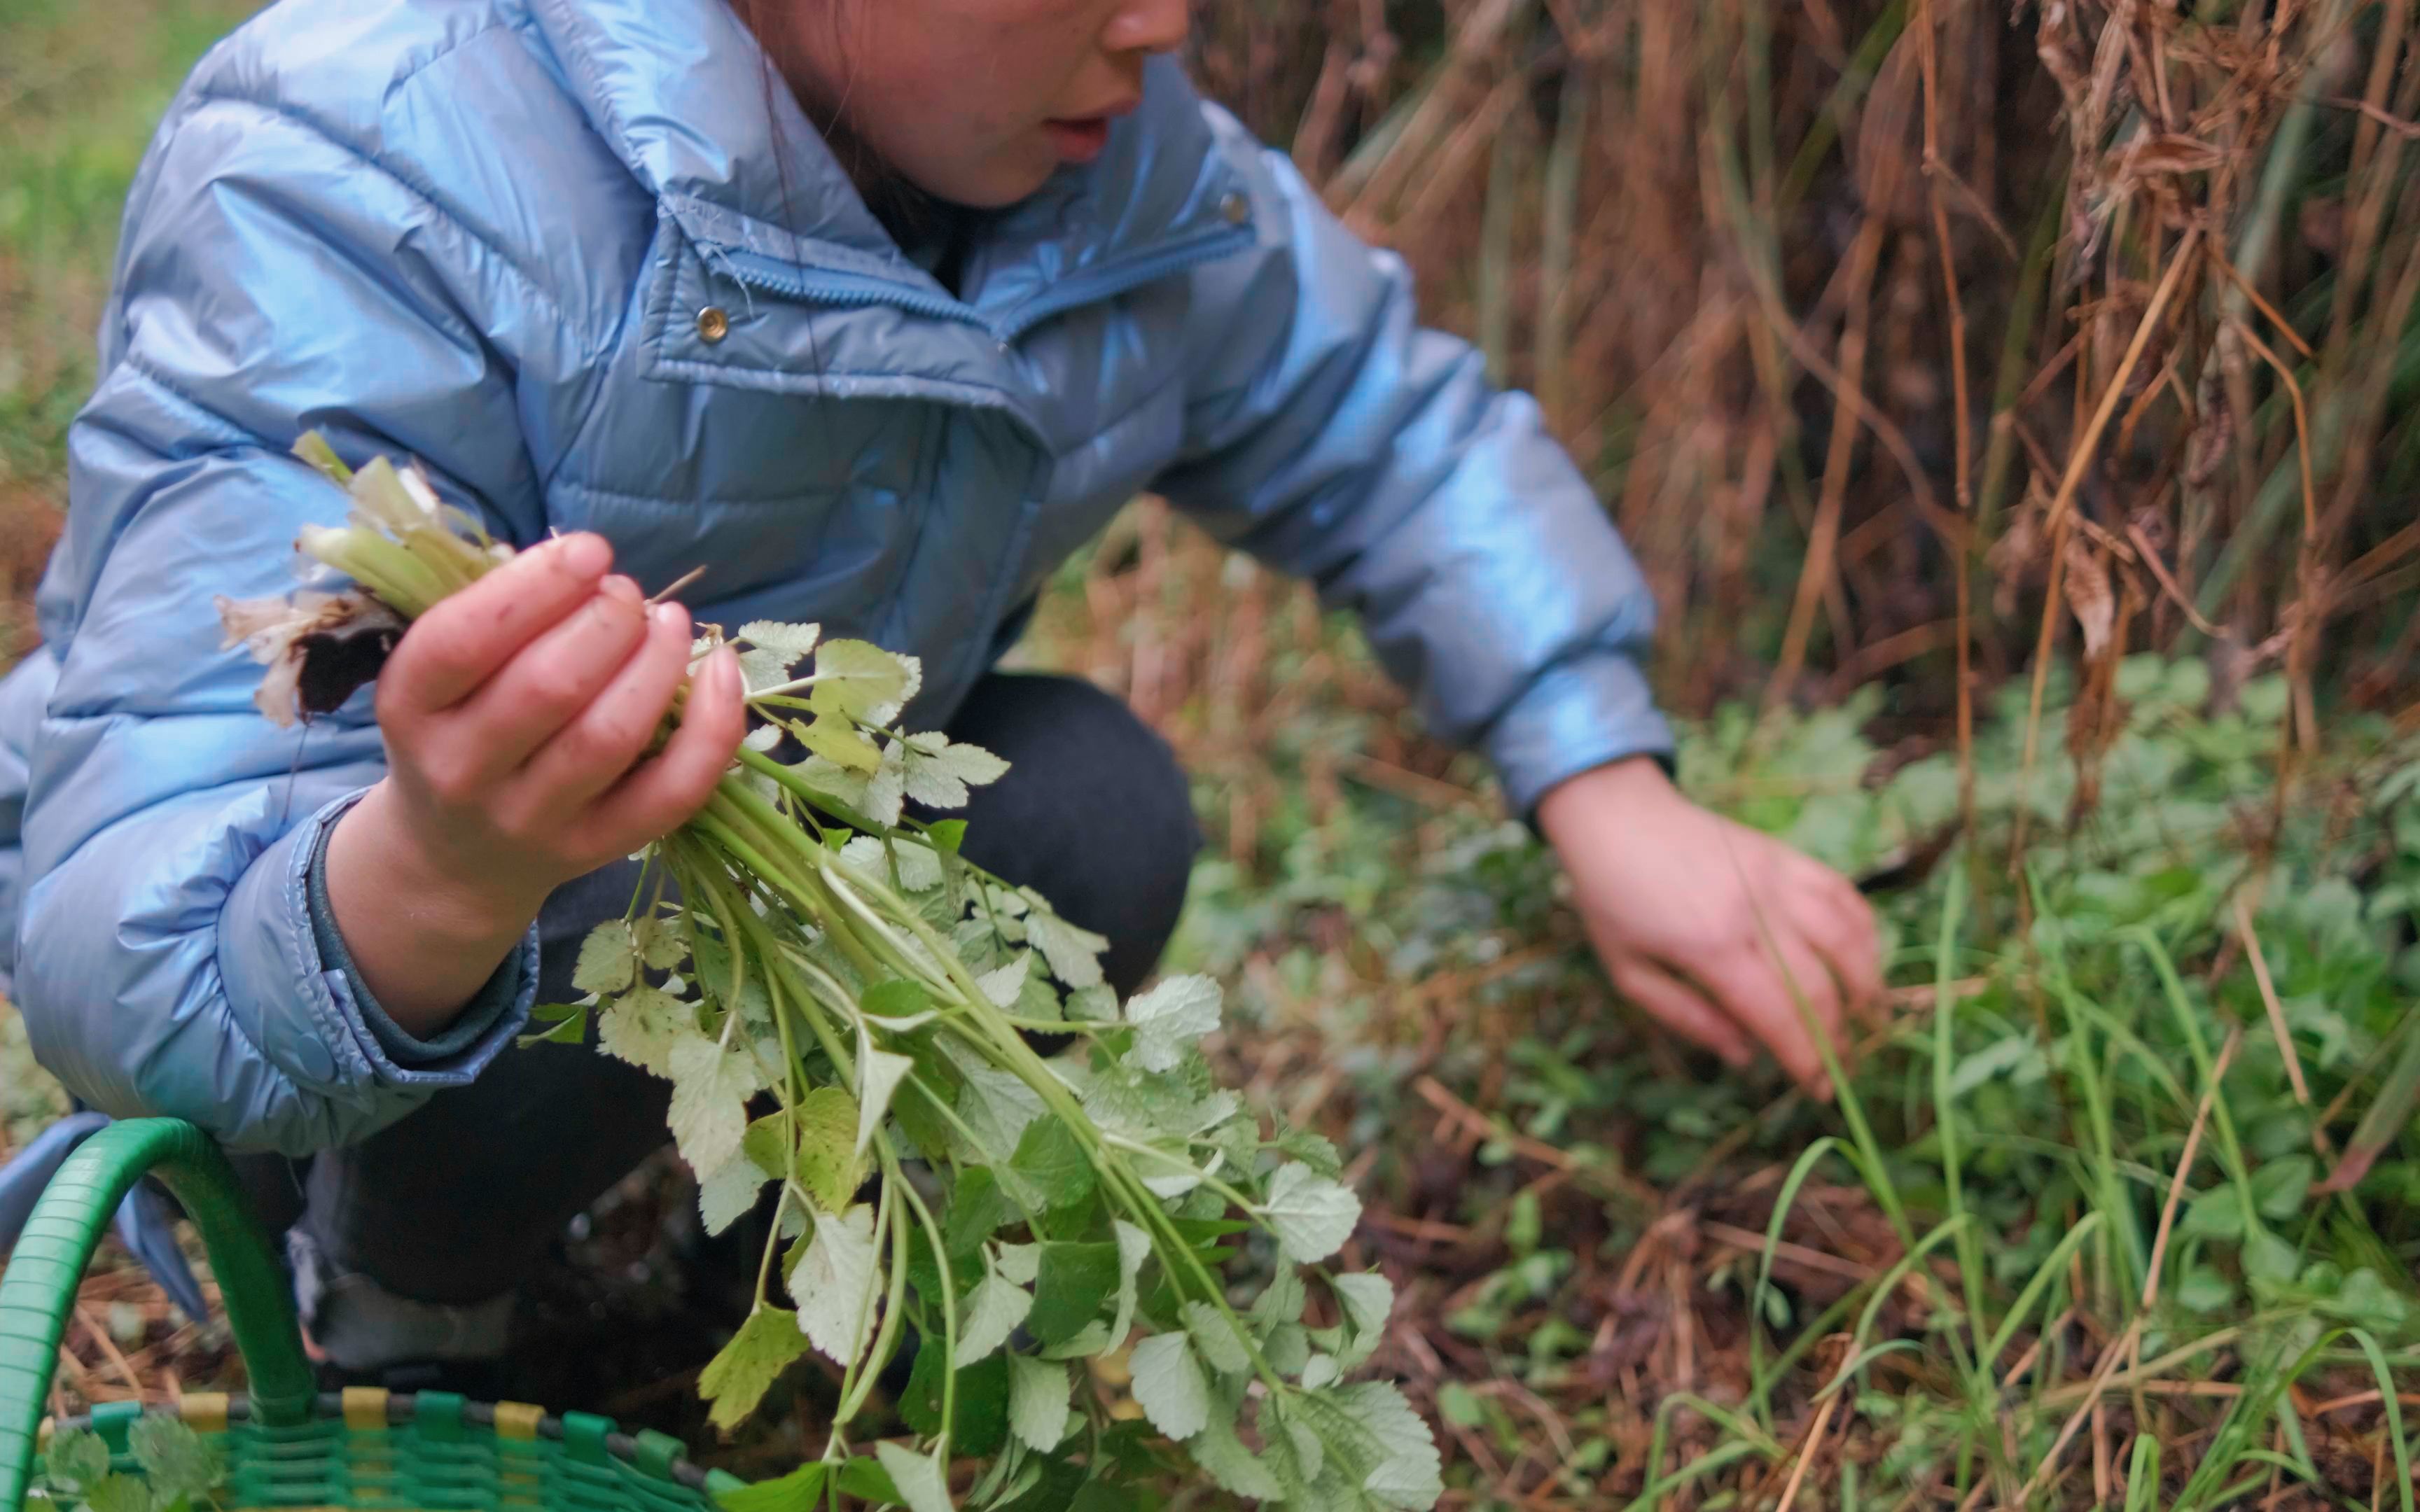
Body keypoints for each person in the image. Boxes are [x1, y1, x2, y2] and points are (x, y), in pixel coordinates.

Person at [0, 0, 1881, 1387]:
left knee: (1092, 810)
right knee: (573, 939)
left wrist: (1602, 777)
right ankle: (400, 1316)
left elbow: (1376, 415)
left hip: (736, 906)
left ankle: (712, 1288)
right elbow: (124, 925)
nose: (1165, 25)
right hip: (356, 1001)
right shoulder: (358, 161)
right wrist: (432, 869)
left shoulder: (1117, 161)